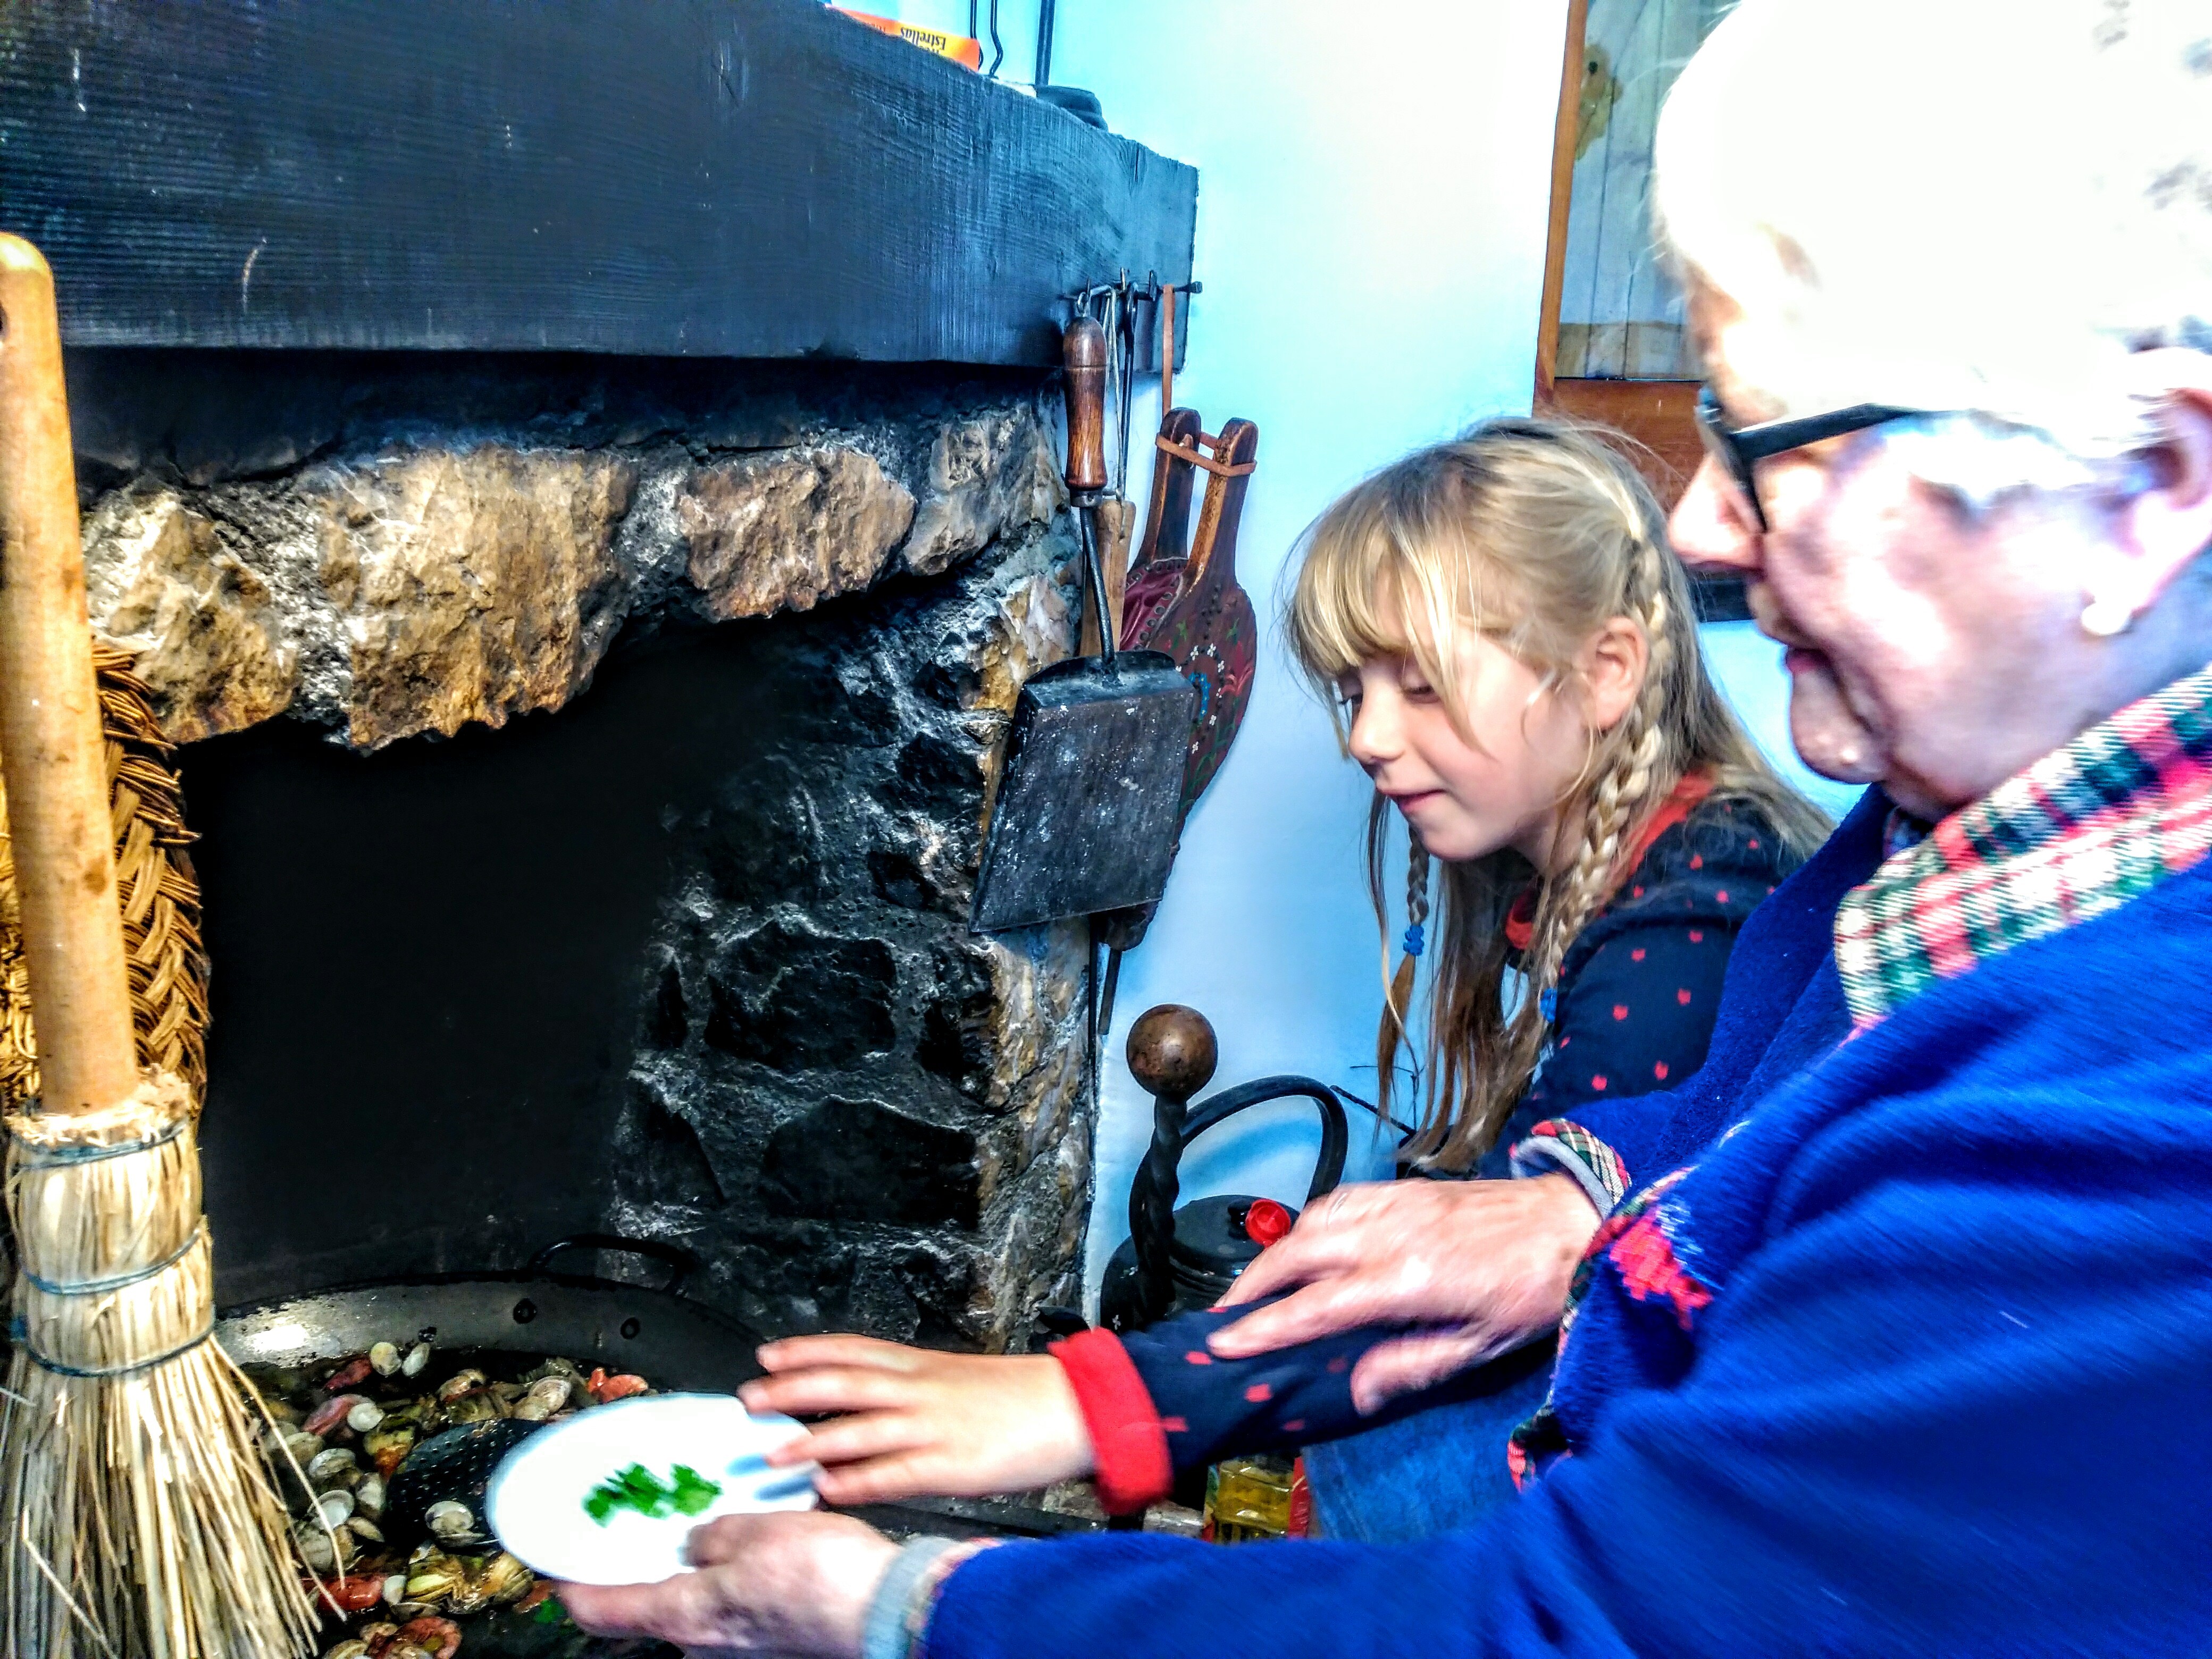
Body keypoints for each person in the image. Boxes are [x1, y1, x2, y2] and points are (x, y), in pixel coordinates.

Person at [559, 1, 2212, 1652]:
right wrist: (1570, 1212)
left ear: (2153, 487)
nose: (1703, 522)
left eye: (1770, 445)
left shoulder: (2118, 1157)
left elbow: (1562, 1624)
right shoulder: (1922, 856)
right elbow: (1747, 1137)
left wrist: (899, 1603)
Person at [717, 418, 1823, 1543]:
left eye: (1420, 686)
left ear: (1607, 671)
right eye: (1354, 691)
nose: (1367, 738)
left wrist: (1086, 1404)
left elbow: (1507, 1293)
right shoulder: (1626, 863)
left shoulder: (1695, 917)